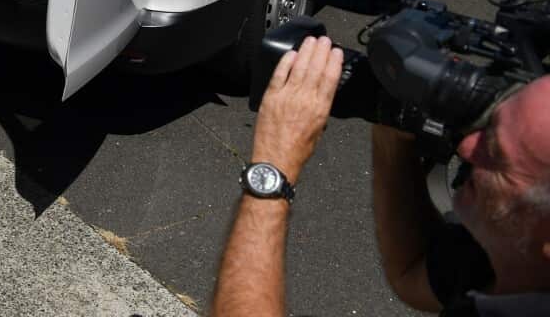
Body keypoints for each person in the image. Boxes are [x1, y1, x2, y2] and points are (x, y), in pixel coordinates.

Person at [210, 36, 550, 317]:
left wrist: (274, 163)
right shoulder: (518, 265)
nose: (467, 147)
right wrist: (392, 132)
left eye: (496, 153)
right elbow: (412, 273)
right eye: (489, 124)